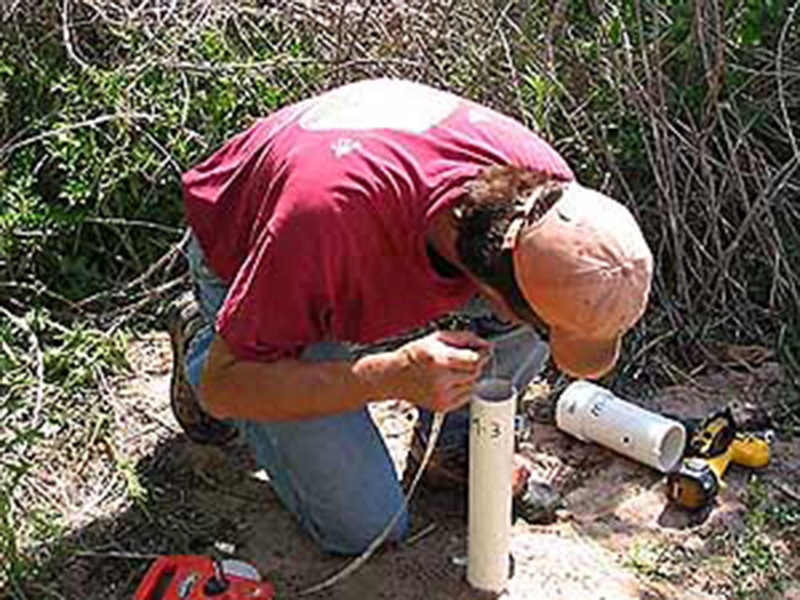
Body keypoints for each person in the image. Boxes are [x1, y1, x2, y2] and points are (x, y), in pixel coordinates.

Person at [167, 78, 653, 555]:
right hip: (254, 259)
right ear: (487, 288)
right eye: (547, 330)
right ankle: (204, 335)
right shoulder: (324, 227)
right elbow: (224, 385)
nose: (549, 344)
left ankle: (451, 452)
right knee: (364, 527)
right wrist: (390, 375)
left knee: (539, 307)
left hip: (353, 229)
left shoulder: (552, 201)